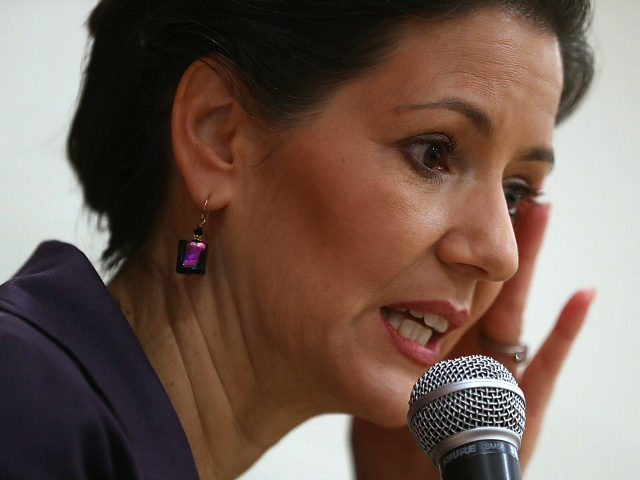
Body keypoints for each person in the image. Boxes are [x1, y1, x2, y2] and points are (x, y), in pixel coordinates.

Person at [0, 1, 596, 479]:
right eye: (433, 152)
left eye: (516, 191)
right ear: (219, 136)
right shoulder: (23, 400)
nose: (500, 252)